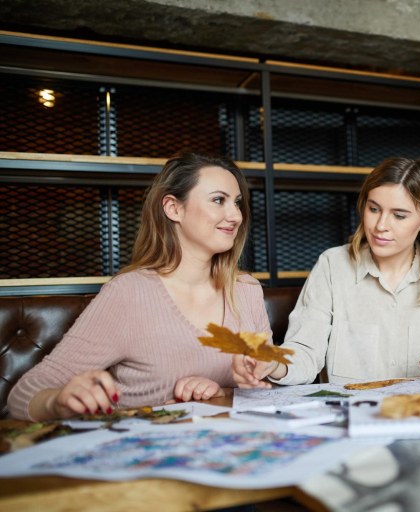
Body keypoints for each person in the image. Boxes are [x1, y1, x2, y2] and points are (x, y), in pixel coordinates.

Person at [9, 151, 272, 421]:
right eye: (219, 200)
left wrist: (223, 391)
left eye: (237, 203)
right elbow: (24, 394)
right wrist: (60, 403)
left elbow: (266, 376)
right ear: (173, 208)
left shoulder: (245, 289)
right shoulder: (128, 294)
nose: (236, 216)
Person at [232, 157, 420, 387]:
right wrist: (272, 362)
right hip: (350, 424)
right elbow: (305, 352)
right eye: (374, 209)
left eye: (399, 215)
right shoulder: (333, 266)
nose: (381, 226)